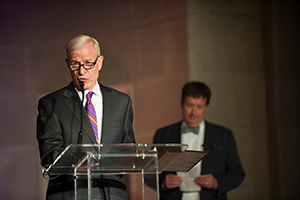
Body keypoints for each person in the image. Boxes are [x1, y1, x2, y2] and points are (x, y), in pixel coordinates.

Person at [36, 34, 135, 200]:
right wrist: (81, 161)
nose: (82, 71)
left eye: (88, 63)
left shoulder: (121, 102)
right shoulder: (52, 103)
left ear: (100, 62)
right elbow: (49, 155)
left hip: (113, 193)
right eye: (75, 64)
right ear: (67, 63)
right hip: (71, 193)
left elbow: (128, 148)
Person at [153, 81, 245, 200]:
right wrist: (163, 183)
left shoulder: (223, 135)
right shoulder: (163, 135)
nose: (194, 112)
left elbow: (237, 173)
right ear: (181, 103)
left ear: (206, 107)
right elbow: (149, 172)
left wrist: (216, 182)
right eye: (189, 105)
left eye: (199, 107)